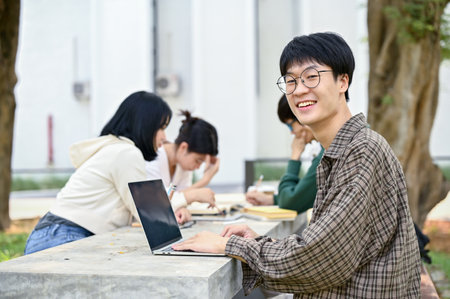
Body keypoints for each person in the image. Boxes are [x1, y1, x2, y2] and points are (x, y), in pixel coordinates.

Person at [173, 32, 421, 298]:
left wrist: (230, 245)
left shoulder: (361, 150)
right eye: (290, 81)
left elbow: (321, 257)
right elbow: (328, 246)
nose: (299, 89)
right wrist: (257, 242)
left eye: (311, 77)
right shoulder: (339, 152)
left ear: (342, 81)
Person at [24, 91, 183, 254]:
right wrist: (187, 198)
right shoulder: (126, 153)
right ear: (145, 124)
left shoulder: (117, 149)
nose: (164, 137)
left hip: (54, 234)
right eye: (161, 128)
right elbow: (152, 214)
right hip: (64, 236)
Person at [246, 95, 323, 214]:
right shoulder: (326, 148)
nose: (292, 132)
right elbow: (303, 195)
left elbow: (291, 203)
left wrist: (295, 157)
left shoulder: (326, 154)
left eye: (290, 125)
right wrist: (273, 199)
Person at [146, 110, 220, 212]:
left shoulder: (183, 166)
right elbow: (156, 205)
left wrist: (182, 210)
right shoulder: (152, 159)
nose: (198, 167)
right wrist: (204, 181)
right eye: (198, 160)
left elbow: (179, 200)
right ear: (183, 148)